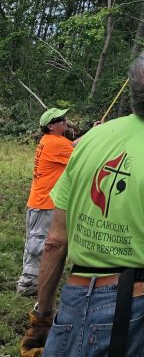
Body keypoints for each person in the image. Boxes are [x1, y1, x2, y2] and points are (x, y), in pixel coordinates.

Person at [20, 39, 144, 357]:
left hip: (73, 299)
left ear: (132, 88)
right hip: (130, 310)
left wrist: (42, 316)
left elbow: (54, 242)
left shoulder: (90, 141)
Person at [17, 108, 75, 296]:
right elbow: (80, 152)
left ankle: (33, 281)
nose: (65, 121)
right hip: (44, 203)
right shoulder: (56, 144)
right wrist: (96, 134)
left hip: (40, 202)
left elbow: (73, 146)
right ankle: (28, 286)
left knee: (36, 241)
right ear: (50, 126)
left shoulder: (51, 141)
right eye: (60, 119)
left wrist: (93, 133)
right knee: (38, 244)